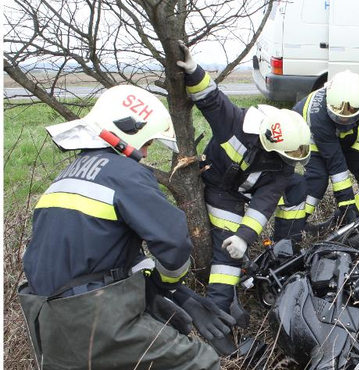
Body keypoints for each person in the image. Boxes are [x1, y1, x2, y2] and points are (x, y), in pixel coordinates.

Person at [19, 85, 223, 369]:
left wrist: (151, 291)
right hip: (89, 317)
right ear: (130, 132)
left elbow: (102, 252)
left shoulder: (67, 176)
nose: (148, 153)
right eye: (148, 142)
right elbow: (174, 240)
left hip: (44, 319)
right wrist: (167, 283)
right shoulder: (126, 173)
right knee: (200, 362)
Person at [177, 42, 311, 317]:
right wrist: (193, 70)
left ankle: (283, 254)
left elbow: (265, 201)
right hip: (220, 189)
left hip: (250, 189)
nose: (290, 162)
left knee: (298, 189)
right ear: (269, 142)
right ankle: (218, 311)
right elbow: (211, 99)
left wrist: (246, 236)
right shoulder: (236, 124)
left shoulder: (284, 164)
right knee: (228, 251)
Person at [273, 70, 359, 243]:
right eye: (339, 117)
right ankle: (295, 226)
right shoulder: (317, 115)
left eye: (349, 117)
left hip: (349, 139)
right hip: (316, 140)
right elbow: (337, 166)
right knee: (317, 181)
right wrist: (346, 207)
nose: (344, 121)